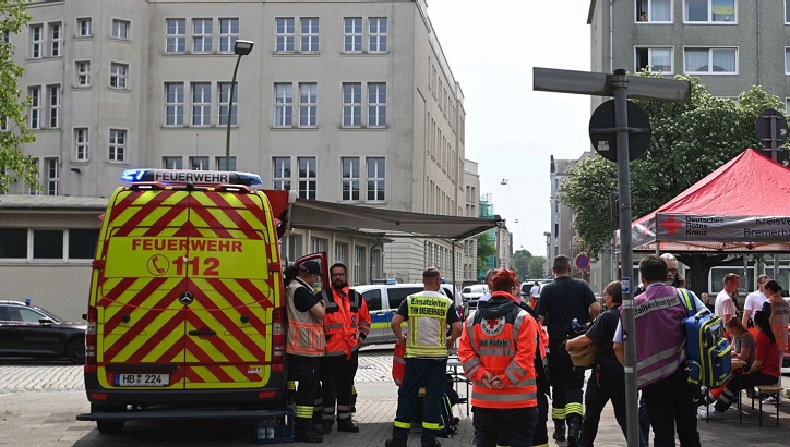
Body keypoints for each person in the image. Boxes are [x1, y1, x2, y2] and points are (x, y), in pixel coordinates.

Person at [613, 255, 704, 447]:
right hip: (685, 375)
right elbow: (707, 325)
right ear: (666, 276)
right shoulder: (685, 296)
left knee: (662, 434)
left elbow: (617, 346)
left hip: (652, 381)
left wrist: (635, 371)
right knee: (689, 432)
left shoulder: (631, 306)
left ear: (643, 278)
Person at [458, 269, 539, 447]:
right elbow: (525, 357)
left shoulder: (472, 319)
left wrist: (484, 376)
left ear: (491, 288)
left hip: (485, 400)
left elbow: (465, 354)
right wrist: (503, 380)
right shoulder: (523, 318)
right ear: (513, 289)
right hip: (519, 401)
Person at [385, 267, 463, 447]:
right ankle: (428, 440)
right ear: (437, 281)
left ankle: (399, 440)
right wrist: (450, 339)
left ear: (423, 281)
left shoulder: (411, 300)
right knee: (433, 398)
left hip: (414, 357)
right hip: (436, 359)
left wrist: (401, 339)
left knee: (407, 396)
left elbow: (395, 322)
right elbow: (458, 328)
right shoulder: (446, 302)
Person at [536, 255, 600, 446]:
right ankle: (574, 426)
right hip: (577, 342)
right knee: (575, 384)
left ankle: (559, 430)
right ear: (570, 269)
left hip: (556, 345)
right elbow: (596, 307)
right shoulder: (581, 285)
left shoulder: (548, 289)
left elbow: (539, 318)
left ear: (553, 271)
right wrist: (587, 321)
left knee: (557, 386)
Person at [565, 281, 626, 447]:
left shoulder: (607, 317)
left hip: (603, 372)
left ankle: (586, 444)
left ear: (611, 297)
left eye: (606, 295)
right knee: (625, 415)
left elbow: (588, 338)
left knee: (592, 413)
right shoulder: (628, 314)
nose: (605, 298)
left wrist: (569, 343)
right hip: (624, 370)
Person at [317, 263, 371, 434]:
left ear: (346, 276)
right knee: (328, 387)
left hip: (350, 353)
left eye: (341, 274)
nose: (338, 278)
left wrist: (361, 339)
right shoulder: (322, 296)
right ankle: (326, 422)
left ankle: (344, 421)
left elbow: (365, 320)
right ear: (331, 277)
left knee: (346, 387)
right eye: (335, 275)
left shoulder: (356, 297)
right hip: (329, 353)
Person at [699, 310, 780, 420]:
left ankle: (717, 410)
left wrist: (749, 374)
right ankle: (712, 405)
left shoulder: (761, 338)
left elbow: (758, 363)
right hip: (771, 374)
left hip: (766, 374)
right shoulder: (769, 336)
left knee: (734, 382)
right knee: (734, 381)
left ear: (755, 323)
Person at [285, 260, 326, 443]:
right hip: (305, 348)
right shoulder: (301, 290)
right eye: (316, 278)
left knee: (306, 389)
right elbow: (320, 312)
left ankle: (304, 426)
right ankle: (303, 429)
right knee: (307, 391)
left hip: (300, 347)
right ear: (313, 276)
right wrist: (322, 303)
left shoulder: (294, 287)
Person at [761, 279, 789, 402]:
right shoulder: (786, 303)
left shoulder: (769, 303)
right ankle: (777, 393)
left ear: (770, 290)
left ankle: (774, 393)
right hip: (782, 337)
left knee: (770, 367)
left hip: (771, 339)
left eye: (765, 290)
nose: (764, 293)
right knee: (778, 366)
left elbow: (763, 321)